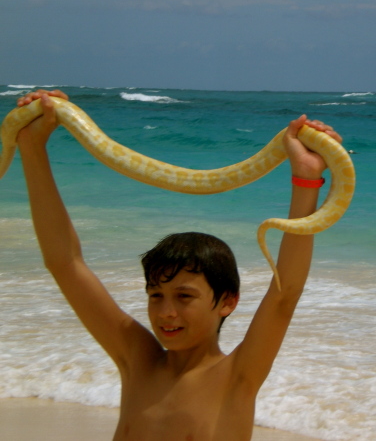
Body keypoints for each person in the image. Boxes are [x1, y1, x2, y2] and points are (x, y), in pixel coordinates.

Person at [16, 89, 342, 441]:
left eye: (184, 297)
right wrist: (32, 148)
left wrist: (306, 180)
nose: (166, 312)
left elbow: (284, 294)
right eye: (156, 296)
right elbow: (66, 263)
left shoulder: (237, 375)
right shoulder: (138, 360)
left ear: (228, 301)